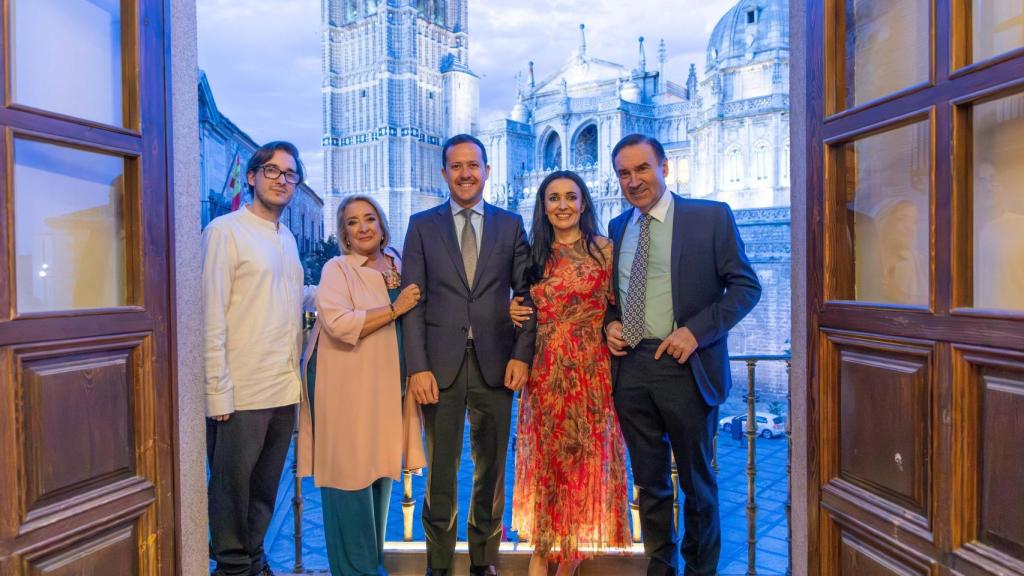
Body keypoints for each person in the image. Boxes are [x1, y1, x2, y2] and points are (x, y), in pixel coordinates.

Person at [604, 134, 761, 576]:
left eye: (642, 169)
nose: (634, 181)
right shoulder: (618, 228)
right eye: (624, 173)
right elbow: (612, 300)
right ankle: (660, 568)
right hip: (631, 368)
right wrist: (610, 325)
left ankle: (700, 570)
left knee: (698, 484)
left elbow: (747, 286)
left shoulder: (709, 217)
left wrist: (696, 332)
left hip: (685, 367)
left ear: (665, 167)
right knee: (650, 484)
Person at [402, 134, 536, 576]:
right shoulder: (422, 226)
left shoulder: (510, 225)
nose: (465, 173)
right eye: (456, 166)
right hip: (439, 368)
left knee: (491, 472)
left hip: (498, 365)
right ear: (444, 173)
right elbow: (413, 302)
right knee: (440, 475)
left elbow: (528, 296)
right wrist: (417, 367)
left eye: (473, 165)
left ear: (486, 171)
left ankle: (483, 563)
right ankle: (438, 566)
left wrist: (522, 355)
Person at [508, 171, 631, 575]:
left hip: (591, 370)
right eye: (553, 197)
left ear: (583, 203)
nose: (562, 205)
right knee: (547, 466)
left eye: (570, 197)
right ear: (543, 205)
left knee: (583, 463)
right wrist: (511, 310)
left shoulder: (605, 251)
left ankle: (570, 559)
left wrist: (613, 325)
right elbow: (522, 307)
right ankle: (542, 552)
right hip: (544, 372)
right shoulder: (533, 256)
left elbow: (621, 305)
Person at [296, 195, 424, 575]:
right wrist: (395, 308)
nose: (363, 227)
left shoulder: (399, 265)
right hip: (345, 390)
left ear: (383, 226)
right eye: (353, 222)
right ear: (344, 233)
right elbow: (338, 322)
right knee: (349, 481)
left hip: (386, 391)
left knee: (379, 477)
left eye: (370, 218)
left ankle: (370, 564)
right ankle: (356, 571)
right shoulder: (338, 268)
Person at [203, 141, 308, 576]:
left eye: (290, 174)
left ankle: (254, 560)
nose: (281, 180)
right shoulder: (225, 231)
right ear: (251, 177)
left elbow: (290, 299)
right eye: (272, 171)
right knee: (232, 491)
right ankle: (231, 566)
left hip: (282, 388)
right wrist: (217, 393)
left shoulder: (288, 239)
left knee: (265, 489)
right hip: (240, 391)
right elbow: (209, 313)